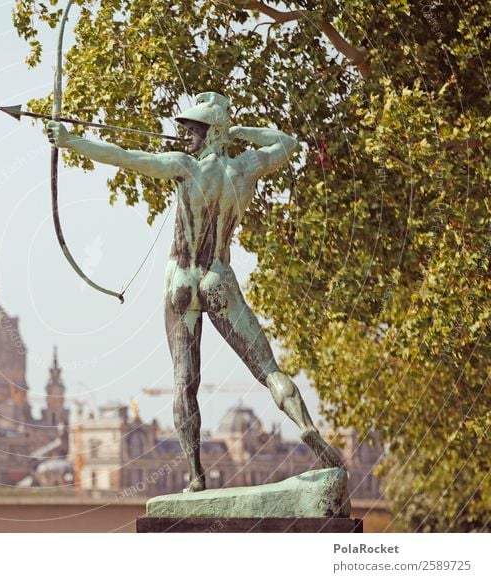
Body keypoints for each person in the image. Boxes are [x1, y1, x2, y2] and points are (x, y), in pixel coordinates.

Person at [47, 92, 343, 493]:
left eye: (196, 129)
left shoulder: (183, 166)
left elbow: (123, 156)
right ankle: (307, 428)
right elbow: (287, 144)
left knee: (184, 383)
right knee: (268, 370)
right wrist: (244, 132)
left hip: (182, 282)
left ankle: (196, 475)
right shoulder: (244, 168)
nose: (187, 136)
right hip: (219, 277)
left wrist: (71, 142)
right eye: (187, 129)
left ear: (211, 133)